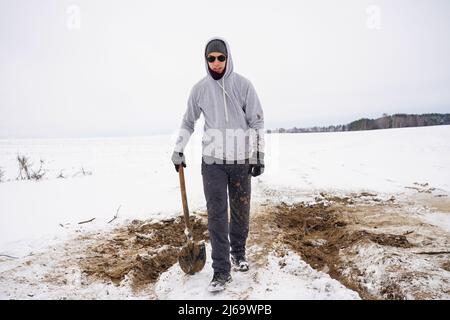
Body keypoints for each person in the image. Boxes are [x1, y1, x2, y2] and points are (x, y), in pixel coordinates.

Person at [171, 37, 265, 292]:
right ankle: (221, 271)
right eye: (210, 58)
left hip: (240, 160)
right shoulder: (199, 89)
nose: (215, 63)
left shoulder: (243, 86)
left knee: (240, 211)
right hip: (212, 161)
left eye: (220, 58)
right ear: (206, 60)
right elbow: (188, 121)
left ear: (228, 57)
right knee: (217, 214)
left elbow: (256, 122)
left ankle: (238, 253)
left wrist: (258, 155)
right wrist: (178, 148)